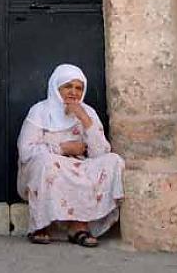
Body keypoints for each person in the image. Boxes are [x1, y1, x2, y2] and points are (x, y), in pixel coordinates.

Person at [17, 63, 125, 247]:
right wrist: (62, 149)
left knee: (113, 160)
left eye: (78, 88)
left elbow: (101, 152)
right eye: (68, 86)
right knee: (47, 163)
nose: (73, 92)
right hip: (47, 164)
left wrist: (84, 119)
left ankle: (78, 227)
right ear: (56, 88)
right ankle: (41, 225)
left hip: (79, 166)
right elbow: (26, 150)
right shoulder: (40, 112)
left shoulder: (87, 112)